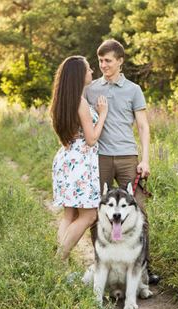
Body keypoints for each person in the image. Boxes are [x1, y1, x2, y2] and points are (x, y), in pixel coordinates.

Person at [85, 39, 160, 285]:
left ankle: (144, 269)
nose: (103, 65)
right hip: (100, 158)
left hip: (128, 157)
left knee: (139, 212)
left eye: (108, 61)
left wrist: (145, 159)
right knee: (99, 214)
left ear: (120, 61)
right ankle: (101, 266)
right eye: (100, 61)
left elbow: (143, 126)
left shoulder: (133, 90)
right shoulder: (91, 89)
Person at [51, 56, 108, 260]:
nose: (92, 71)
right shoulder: (80, 102)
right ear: (79, 75)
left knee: (70, 214)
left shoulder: (63, 99)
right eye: (88, 69)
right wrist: (102, 114)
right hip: (81, 163)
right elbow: (91, 139)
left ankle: (59, 262)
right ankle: (59, 259)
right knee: (89, 215)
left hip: (67, 159)